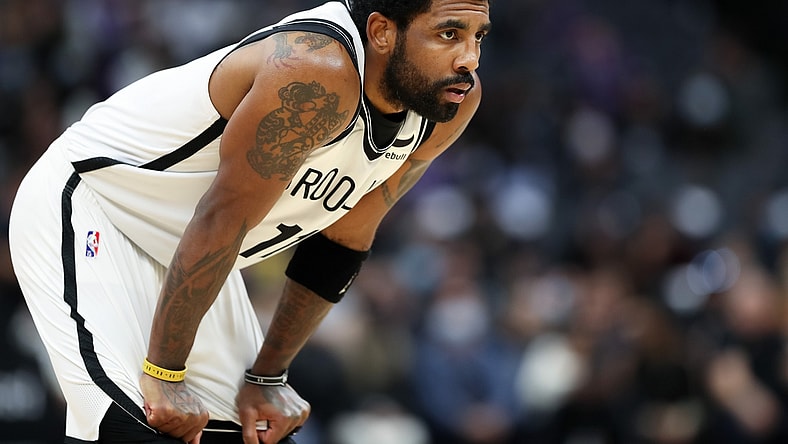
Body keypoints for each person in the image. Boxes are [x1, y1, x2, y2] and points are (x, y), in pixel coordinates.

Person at [7, 0, 491, 443]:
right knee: (131, 428)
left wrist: (268, 377)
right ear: (382, 32)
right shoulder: (316, 68)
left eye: (479, 37)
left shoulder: (448, 103)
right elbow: (221, 218)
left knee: (252, 434)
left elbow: (342, 241)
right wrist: (163, 372)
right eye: (449, 34)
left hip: (189, 251)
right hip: (95, 203)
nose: (469, 58)